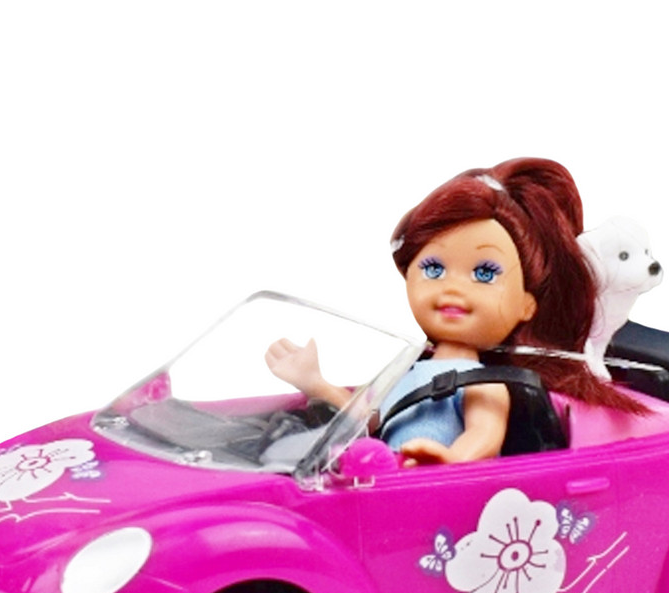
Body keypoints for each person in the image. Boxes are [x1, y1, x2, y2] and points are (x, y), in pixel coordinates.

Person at [266, 157, 639, 465]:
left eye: (484, 273)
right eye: (433, 269)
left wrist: (451, 459)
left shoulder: (486, 381)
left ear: (527, 304)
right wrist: (315, 382)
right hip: (388, 480)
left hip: (436, 494)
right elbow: (367, 418)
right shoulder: (407, 369)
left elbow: (484, 434)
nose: (453, 288)